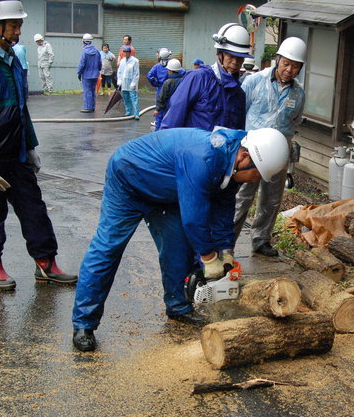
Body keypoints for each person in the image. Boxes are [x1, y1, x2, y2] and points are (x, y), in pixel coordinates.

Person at [71, 127, 290, 352]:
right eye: (256, 175)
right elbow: (194, 219)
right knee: (108, 248)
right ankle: (84, 324)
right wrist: (208, 257)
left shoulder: (232, 164)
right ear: (245, 157)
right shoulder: (204, 158)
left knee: (177, 248)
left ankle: (178, 306)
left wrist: (226, 252)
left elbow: (224, 208)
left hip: (168, 190)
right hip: (129, 178)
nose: (254, 180)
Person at [0, 0, 76, 290]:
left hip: (16, 153)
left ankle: (46, 263)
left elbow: (19, 107)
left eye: (18, 25)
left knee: (34, 208)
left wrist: (31, 145)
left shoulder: (13, 59)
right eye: (13, 25)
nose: (18, 31)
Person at [232, 37, 306, 257]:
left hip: (280, 152)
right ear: (278, 59)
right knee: (242, 196)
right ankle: (227, 241)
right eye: (286, 63)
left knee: (271, 199)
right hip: (252, 150)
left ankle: (261, 240)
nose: (289, 69)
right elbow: (240, 112)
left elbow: (296, 120)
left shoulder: (298, 93)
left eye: (295, 66)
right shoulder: (254, 81)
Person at [159, 23, 252, 131]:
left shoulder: (239, 94)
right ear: (219, 54)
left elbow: (238, 133)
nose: (235, 62)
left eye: (240, 58)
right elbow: (172, 119)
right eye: (231, 56)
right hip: (191, 147)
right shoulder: (198, 79)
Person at [154, 59, 185, 132]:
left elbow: (162, 97)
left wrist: (157, 109)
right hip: (181, 109)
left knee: (167, 127)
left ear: (170, 71)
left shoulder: (168, 82)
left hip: (169, 109)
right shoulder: (184, 81)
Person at [147, 47, 172, 128]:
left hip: (160, 89)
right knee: (170, 111)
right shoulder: (172, 65)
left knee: (159, 110)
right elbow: (182, 73)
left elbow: (149, 76)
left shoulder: (157, 67)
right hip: (171, 90)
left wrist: (156, 83)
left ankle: (158, 131)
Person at [76, 33, 101, 113]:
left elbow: (82, 63)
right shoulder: (97, 51)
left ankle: (88, 107)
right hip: (95, 74)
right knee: (93, 90)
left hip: (86, 74)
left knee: (87, 91)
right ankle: (92, 106)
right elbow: (100, 63)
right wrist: (98, 70)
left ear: (83, 41)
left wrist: (79, 72)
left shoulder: (84, 52)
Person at [117, 45, 140, 119]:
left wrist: (134, 83)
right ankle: (128, 111)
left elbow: (136, 73)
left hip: (131, 82)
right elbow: (119, 72)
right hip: (124, 82)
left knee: (133, 98)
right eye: (124, 52)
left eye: (127, 52)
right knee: (125, 97)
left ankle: (136, 113)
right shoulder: (122, 61)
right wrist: (119, 81)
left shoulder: (135, 61)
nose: (125, 53)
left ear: (130, 53)